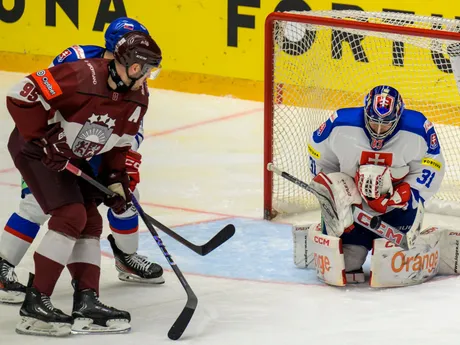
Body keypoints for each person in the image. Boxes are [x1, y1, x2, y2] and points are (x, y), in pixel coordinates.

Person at [7, 31, 162, 336]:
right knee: (71, 214)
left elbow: (119, 144)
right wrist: (43, 138)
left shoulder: (138, 97)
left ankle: (87, 302)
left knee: (90, 221)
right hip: (35, 151)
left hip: (71, 157)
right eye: (147, 70)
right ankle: (34, 306)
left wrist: (116, 180)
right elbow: (21, 94)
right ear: (133, 66)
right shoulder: (83, 74)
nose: (148, 77)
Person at [307, 85, 445, 282]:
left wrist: (410, 193)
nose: (379, 129)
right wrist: (334, 191)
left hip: (396, 208)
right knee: (346, 264)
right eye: (373, 122)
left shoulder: (418, 129)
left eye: (386, 124)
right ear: (365, 113)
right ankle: (343, 239)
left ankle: (417, 243)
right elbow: (318, 155)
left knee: (392, 271)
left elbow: (433, 165)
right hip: (352, 211)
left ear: (398, 117)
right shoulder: (340, 124)